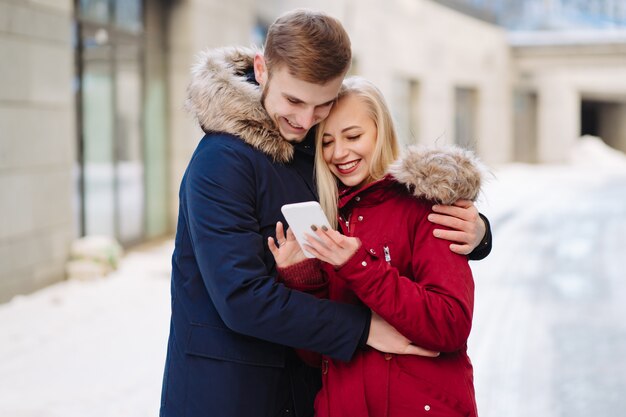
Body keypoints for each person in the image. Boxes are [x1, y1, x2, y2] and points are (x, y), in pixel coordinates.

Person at [160, 9, 491, 417]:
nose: (304, 120)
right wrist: (365, 328)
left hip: (306, 388)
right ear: (262, 70)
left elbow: (380, 201)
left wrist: (475, 232)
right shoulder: (221, 161)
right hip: (228, 391)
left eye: (322, 105)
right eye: (294, 101)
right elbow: (241, 296)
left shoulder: (317, 142)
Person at [269, 76, 482, 417]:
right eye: (326, 142)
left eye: (353, 136)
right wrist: (303, 278)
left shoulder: (426, 205)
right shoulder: (328, 217)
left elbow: (450, 325)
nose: (339, 153)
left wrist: (357, 264)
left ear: (381, 132)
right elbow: (315, 356)